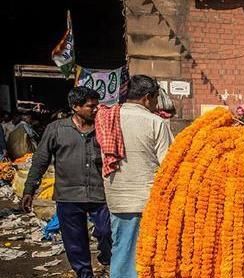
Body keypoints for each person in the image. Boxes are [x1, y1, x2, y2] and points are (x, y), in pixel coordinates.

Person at [21, 87, 111, 278]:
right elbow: (40, 161)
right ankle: (84, 274)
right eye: (90, 106)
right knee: (75, 241)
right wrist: (29, 190)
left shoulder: (104, 128)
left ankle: (106, 256)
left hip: (100, 193)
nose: (96, 110)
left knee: (107, 231)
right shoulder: (56, 129)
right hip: (68, 195)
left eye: (97, 105)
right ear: (75, 107)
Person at [98, 75, 174, 278]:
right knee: (149, 258)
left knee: (122, 252)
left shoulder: (108, 118)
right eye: (156, 98)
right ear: (148, 97)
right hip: (146, 200)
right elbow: (169, 165)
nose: (157, 103)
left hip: (117, 199)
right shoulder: (155, 122)